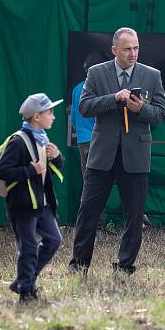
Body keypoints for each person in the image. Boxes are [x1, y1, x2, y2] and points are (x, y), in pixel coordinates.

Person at [69, 27, 165, 275]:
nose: (132, 53)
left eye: (135, 48)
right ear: (114, 50)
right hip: (102, 153)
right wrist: (113, 98)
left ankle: (125, 265)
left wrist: (140, 109)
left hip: (135, 155)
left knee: (134, 215)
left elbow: (162, 113)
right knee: (88, 211)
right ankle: (79, 264)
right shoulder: (96, 73)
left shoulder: (151, 75)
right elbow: (84, 107)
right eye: (127, 49)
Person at [0, 93, 64, 302]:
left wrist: (57, 157)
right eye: (49, 112)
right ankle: (26, 290)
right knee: (29, 247)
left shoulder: (43, 139)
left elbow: (48, 171)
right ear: (36, 116)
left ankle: (25, 280)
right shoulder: (18, 141)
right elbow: (2, 171)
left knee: (53, 240)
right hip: (22, 204)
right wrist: (29, 170)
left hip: (41, 203)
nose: (53, 116)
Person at [71, 51, 105, 227]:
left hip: (82, 140)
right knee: (100, 182)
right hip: (98, 140)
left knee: (88, 182)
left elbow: (73, 119)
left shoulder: (77, 89)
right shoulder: (99, 89)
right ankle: (98, 222)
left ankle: (87, 222)